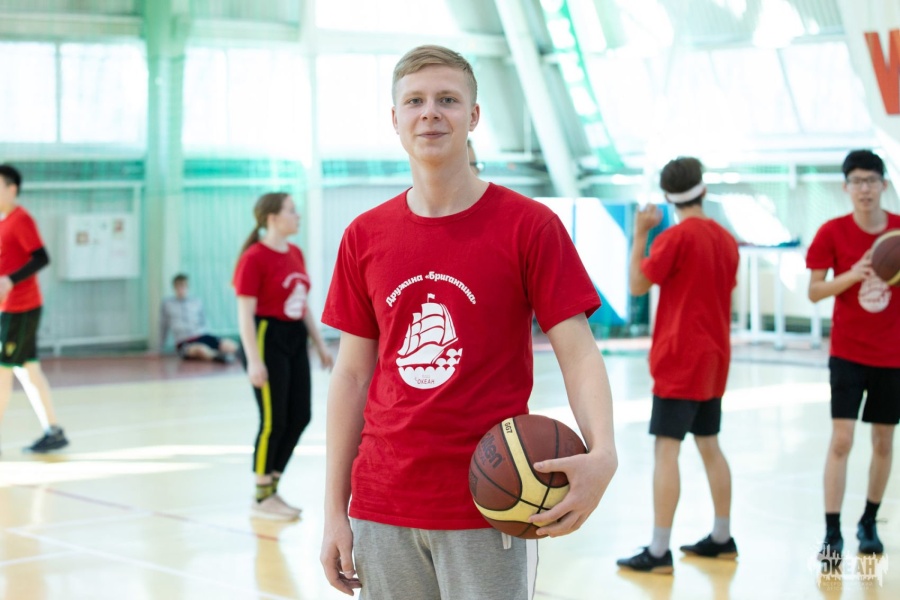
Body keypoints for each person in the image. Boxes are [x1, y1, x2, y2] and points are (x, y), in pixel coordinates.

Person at [319, 45, 618, 599]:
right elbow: (352, 377)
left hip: (492, 501)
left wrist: (603, 452)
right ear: (395, 119)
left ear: (474, 116)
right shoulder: (364, 235)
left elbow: (578, 353)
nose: (430, 113)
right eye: (415, 101)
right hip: (383, 505)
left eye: (448, 100)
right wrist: (335, 510)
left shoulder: (530, 226)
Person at [617, 157, 739, 574]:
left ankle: (658, 551)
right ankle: (722, 537)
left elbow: (637, 284)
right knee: (710, 444)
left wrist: (640, 233)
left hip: (679, 358)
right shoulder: (726, 239)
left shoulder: (674, 238)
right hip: (715, 358)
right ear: (702, 189)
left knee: (666, 450)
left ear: (668, 197)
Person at [806, 149, 900, 558]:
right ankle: (832, 533)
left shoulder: (897, 234)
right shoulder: (832, 232)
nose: (865, 189)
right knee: (842, 440)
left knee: (883, 441)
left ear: (883, 185)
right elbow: (814, 291)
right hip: (847, 353)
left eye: (872, 181)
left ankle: (868, 522)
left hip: (893, 356)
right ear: (846, 187)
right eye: (857, 182)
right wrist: (854, 274)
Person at [233, 192, 333, 520]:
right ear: (273, 218)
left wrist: (319, 344)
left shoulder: (295, 253)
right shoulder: (254, 257)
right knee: (273, 419)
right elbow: (245, 314)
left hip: (295, 337)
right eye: (292, 210)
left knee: (300, 414)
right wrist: (254, 360)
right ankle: (262, 495)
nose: (297, 215)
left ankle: (272, 486)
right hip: (267, 337)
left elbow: (301, 304)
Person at [0, 164, 69, 454]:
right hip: (9, 308)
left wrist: (11, 280)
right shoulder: (3, 221)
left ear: (11, 189)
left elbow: (41, 258)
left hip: (21, 308)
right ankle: (53, 431)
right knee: (28, 371)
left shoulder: (21, 219)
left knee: (3, 370)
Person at [159, 273, 239, 362]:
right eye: (178, 286)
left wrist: (210, 338)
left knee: (229, 345)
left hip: (201, 335)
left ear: (187, 287)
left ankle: (242, 355)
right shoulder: (167, 304)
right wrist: (159, 348)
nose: (181, 289)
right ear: (174, 287)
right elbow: (163, 326)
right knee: (201, 350)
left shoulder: (196, 302)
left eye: (183, 286)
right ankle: (220, 357)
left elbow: (204, 321)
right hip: (184, 341)